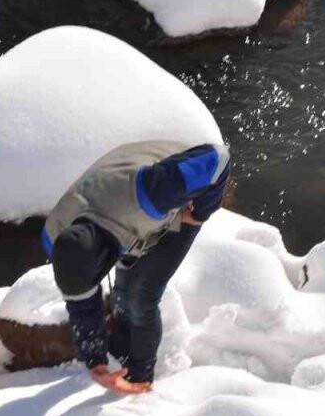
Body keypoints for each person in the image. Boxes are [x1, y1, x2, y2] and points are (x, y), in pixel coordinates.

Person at [41, 140, 231, 394]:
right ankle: (119, 355)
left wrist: (199, 213)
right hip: (121, 216)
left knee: (140, 297)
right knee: (122, 295)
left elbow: (218, 158)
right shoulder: (55, 238)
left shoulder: (154, 191)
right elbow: (82, 306)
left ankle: (141, 379)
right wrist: (96, 363)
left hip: (172, 202)